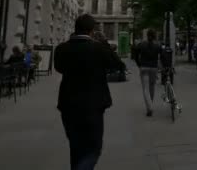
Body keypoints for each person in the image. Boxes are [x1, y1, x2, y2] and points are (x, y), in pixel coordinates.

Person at [54, 14, 122, 170]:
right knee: (93, 149)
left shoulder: (61, 48)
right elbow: (117, 65)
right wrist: (103, 43)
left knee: (75, 147)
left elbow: (59, 68)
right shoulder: (98, 48)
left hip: (68, 103)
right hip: (93, 104)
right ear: (92, 30)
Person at [133, 29, 162, 117]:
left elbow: (135, 55)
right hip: (153, 68)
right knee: (152, 87)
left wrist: (139, 64)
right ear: (154, 36)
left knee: (145, 89)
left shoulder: (141, 44)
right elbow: (162, 55)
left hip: (144, 67)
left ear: (147, 35)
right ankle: (150, 104)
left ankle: (149, 108)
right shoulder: (157, 45)